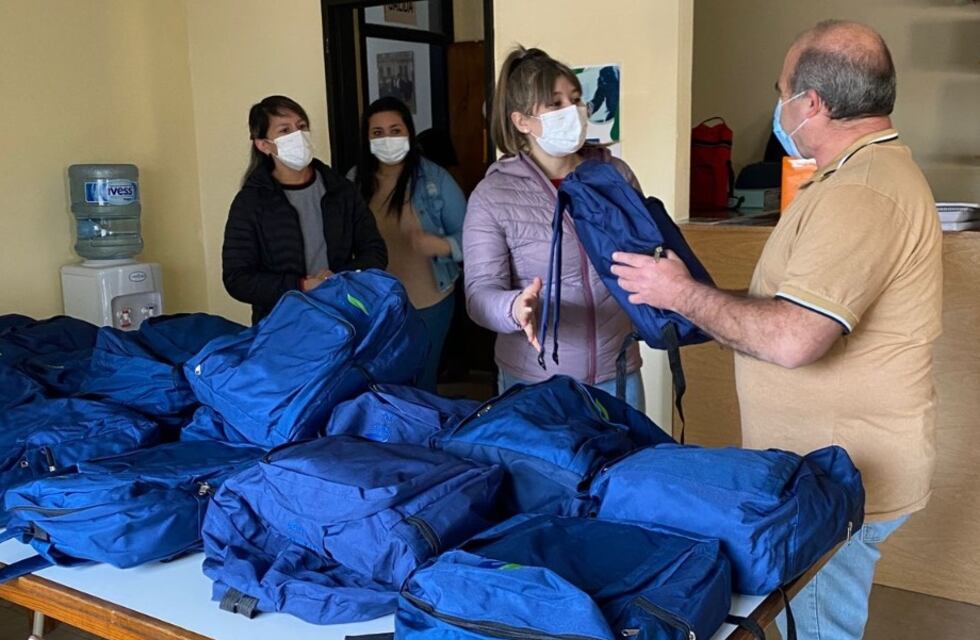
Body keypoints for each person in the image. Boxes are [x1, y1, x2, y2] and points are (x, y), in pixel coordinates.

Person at [611, 20, 942, 640]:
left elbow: (793, 339)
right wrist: (698, 301)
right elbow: (788, 307)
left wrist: (681, 294)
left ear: (810, 103)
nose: (779, 107)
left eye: (782, 89)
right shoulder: (853, 177)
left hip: (837, 480)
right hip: (824, 470)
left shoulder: (864, 192)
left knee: (816, 629)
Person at [463, 46, 646, 410]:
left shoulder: (614, 175)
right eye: (555, 103)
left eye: (575, 99)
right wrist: (514, 307)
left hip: (619, 369)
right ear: (521, 121)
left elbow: (647, 251)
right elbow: (479, 295)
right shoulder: (493, 194)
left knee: (628, 465)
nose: (573, 112)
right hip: (537, 380)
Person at [222, 95, 387, 324]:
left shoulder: (340, 190)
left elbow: (375, 252)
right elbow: (237, 278)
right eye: (285, 130)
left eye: (301, 126)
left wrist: (338, 279)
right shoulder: (251, 202)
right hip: (282, 325)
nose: (297, 135)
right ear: (263, 145)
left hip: (343, 314)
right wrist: (301, 285)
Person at [350, 97, 466, 392]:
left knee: (422, 379)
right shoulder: (354, 181)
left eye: (395, 130)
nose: (387, 139)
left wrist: (442, 246)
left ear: (409, 133)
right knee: (381, 382)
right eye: (377, 133)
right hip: (374, 306)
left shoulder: (435, 179)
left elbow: (474, 238)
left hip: (430, 302)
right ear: (366, 139)